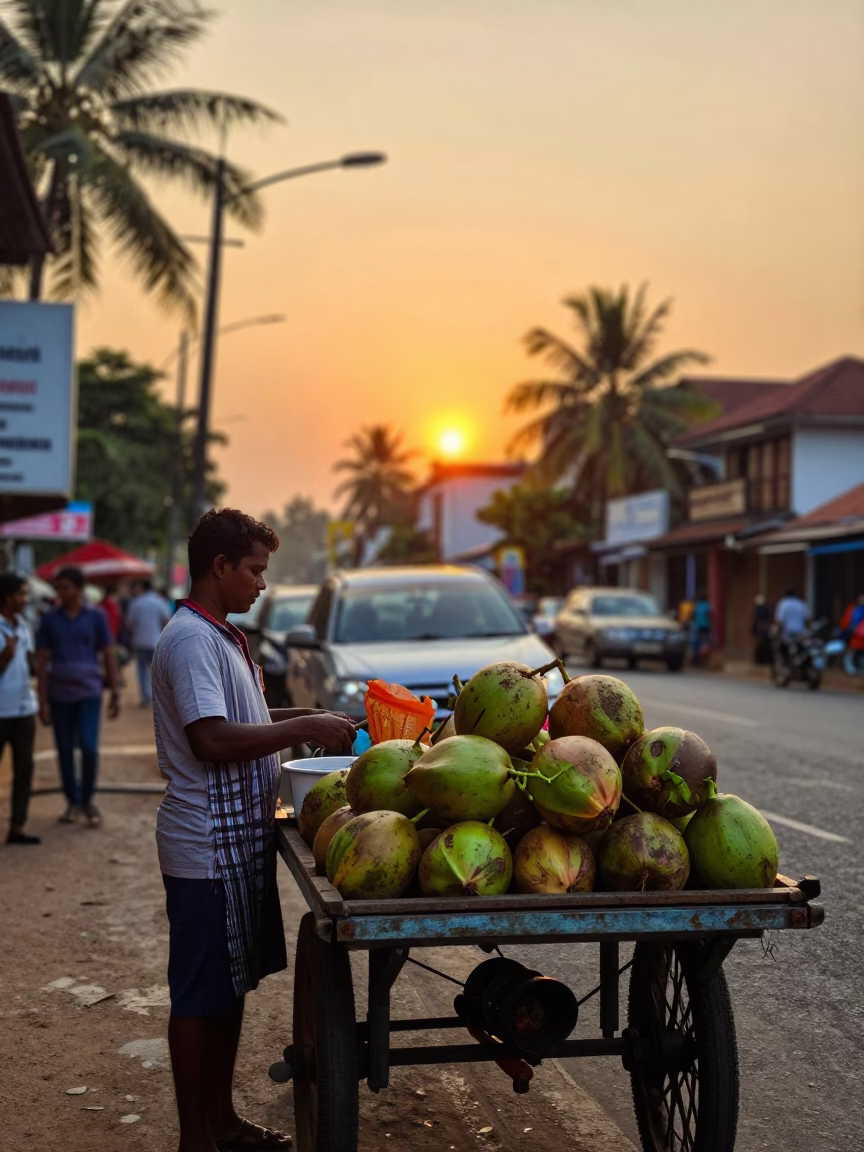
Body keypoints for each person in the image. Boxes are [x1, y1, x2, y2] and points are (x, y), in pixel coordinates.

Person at [152, 508, 355, 1152]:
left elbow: (247, 715)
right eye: (255, 571)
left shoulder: (226, 637)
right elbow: (211, 738)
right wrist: (302, 730)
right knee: (197, 996)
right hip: (204, 846)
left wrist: (315, 716)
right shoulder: (188, 640)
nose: (262, 584)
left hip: (240, 841)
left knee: (229, 988)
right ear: (220, 568)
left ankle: (222, 1121)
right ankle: (196, 1138)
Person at [35, 566, 121, 827]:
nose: (60, 592)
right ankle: (72, 802)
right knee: (63, 750)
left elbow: (108, 654)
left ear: (79, 588)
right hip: (59, 693)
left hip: (88, 692)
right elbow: (41, 663)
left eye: (65, 587)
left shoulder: (96, 616)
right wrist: (42, 700)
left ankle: (87, 800)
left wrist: (116, 691)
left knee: (88, 747)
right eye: (57, 587)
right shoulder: (50, 619)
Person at [0, 574, 40, 845]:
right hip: (1, 710)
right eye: (21, 594)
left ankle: (17, 826)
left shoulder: (24, 625)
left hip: (24, 708)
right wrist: (4, 658)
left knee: (24, 770)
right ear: (6, 597)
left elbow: (30, 664)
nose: (25, 599)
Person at [126, 579, 172, 706]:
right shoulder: (160, 602)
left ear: (142, 587)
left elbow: (129, 623)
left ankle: (145, 697)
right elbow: (167, 620)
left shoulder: (136, 603)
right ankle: (155, 697)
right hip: (156, 641)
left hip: (140, 641)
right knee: (155, 671)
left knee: (141, 670)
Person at [689, 591, 712, 665]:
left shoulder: (697, 606)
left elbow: (693, 616)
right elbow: (709, 615)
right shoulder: (707, 606)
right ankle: (704, 655)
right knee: (705, 641)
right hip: (706, 626)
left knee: (697, 641)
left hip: (698, 626)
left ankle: (696, 656)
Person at [751, 593, 773, 665]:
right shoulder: (765, 608)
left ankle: (762, 660)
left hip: (762, 629)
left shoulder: (759, 609)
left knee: (763, 644)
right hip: (763, 629)